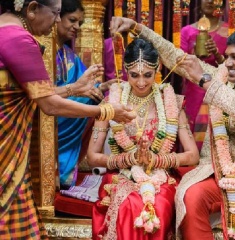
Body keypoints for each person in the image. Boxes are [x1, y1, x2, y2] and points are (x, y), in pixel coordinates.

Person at [110, 17, 235, 240]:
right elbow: (177, 57)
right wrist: (138, 28)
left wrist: (206, 81)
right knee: (190, 196)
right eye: (227, 56)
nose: (227, 62)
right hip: (214, 169)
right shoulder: (221, 79)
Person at [0, 1, 135, 239]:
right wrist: (106, 111)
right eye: (55, 13)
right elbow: (49, 104)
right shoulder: (18, 38)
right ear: (32, 8)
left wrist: (74, 88)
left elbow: (36, 94)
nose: (55, 21)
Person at [87, 38, 199, 240]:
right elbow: (92, 157)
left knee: (159, 205)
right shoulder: (111, 102)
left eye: (148, 75)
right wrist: (126, 160)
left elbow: (193, 156)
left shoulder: (171, 101)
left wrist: (157, 160)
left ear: (158, 70)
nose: (141, 82)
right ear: (125, 72)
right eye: (134, 75)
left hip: (161, 175)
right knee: (130, 204)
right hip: (122, 173)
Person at [54, 0, 116, 190]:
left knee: (102, 105)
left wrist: (103, 86)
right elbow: (43, 95)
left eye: (79, 22)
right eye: (72, 20)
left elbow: (86, 86)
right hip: (50, 117)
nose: (76, 27)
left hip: (67, 118)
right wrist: (79, 91)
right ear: (56, 18)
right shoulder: (43, 53)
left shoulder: (68, 54)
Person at [181, 0, 235, 150]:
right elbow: (180, 65)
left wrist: (217, 54)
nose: (209, 1)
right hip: (194, 91)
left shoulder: (233, 30)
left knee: (221, 136)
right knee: (193, 139)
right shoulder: (187, 31)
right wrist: (193, 55)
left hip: (222, 90)